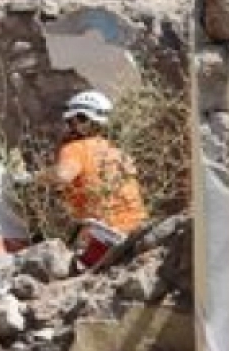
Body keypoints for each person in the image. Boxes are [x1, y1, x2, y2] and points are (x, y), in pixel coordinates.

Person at [39, 90, 149, 269]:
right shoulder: (117, 152)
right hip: (136, 235)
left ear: (82, 119)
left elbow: (61, 176)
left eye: (71, 121)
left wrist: (34, 178)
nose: (69, 127)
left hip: (103, 238)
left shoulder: (76, 148)